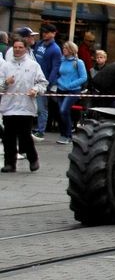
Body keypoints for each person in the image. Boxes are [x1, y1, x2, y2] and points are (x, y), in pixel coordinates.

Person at [0, 39, 48, 172]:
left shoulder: (33, 65)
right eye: (15, 47)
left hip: (26, 107)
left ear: (25, 49)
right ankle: (10, 163)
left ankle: (33, 158)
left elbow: (43, 83)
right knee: (8, 136)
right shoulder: (5, 66)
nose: (17, 49)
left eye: (20, 47)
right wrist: (6, 82)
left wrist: (36, 90)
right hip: (9, 107)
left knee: (25, 136)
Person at [30, 23, 62, 140]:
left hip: (43, 81)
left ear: (54, 33)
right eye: (44, 32)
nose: (44, 34)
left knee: (41, 107)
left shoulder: (56, 49)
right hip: (32, 78)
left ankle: (41, 130)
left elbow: (55, 67)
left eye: (47, 32)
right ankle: (37, 128)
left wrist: (48, 83)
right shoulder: (40, 44)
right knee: (33, 106)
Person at [55, 41, 88, 145]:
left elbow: (84, 77)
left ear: (71, 50)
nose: (63, 49)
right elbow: (59, 73)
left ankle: (68, 135)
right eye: (63, 47)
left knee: (63, 110)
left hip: (73, 90)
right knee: (61, 113)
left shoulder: (78, 62)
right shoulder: (62, 60)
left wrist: (70, 85)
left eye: (66, 48)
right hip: (60, 89)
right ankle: (63, 134)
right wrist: (58, 82)